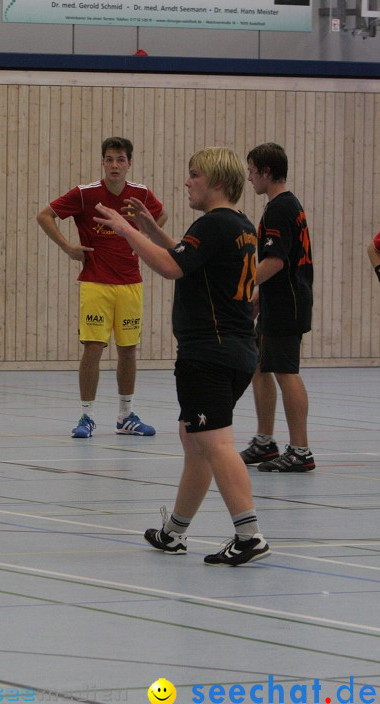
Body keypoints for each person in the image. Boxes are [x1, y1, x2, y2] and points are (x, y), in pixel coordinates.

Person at [96, 147, 271, 566]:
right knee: (194, 440)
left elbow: (171, 267)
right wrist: (151, 229)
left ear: (217, 182)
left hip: (209, 352)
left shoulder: (213, 223)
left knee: (215, 442)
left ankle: (249, 535)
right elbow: (187, 258)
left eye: (194, 175)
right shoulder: (239, 225)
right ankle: (174, 532)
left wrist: (125, 229)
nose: (187, 182)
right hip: (235, 350)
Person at [36, 137, 168, 439]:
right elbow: (44, 215)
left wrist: (144, 238)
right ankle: (87, 415)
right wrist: (68, 246)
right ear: (102, 163)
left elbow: (161, 214)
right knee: (93, 348)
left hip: (130, 282)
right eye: (109, 159)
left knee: (128, 350)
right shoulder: (86, 194)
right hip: (95, 282)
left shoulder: (140, 194)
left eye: (120, 159)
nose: (114, 165)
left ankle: (125, 415)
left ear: (129, 163)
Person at [238, 143, 315, 473]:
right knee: (260, 366)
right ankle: (265, 442)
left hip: (288, 303)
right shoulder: (284, 205)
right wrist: (259, 295)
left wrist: (246, 285)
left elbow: (276, 260)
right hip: (277, 300)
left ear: (267, 173)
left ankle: (300, 450)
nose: (250, 177)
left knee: (286, 372)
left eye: (253, 171)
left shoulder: (280, 209)